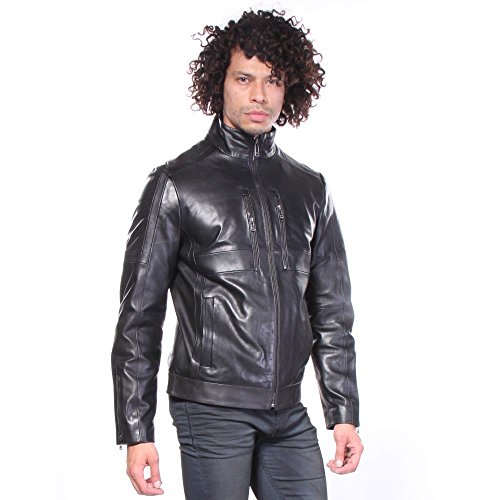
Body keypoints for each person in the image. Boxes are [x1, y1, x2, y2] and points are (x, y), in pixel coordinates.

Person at [111, 8, 363, 498]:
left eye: (273, 81)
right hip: (210, 408)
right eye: (244, 79)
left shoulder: (310, 188)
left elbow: (332, 311)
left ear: (289, 90)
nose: (259, 95)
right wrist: (136, 430)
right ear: (220, 83)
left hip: (288, 412)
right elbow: (139, 316)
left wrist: (343, 412)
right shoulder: (177, 183)